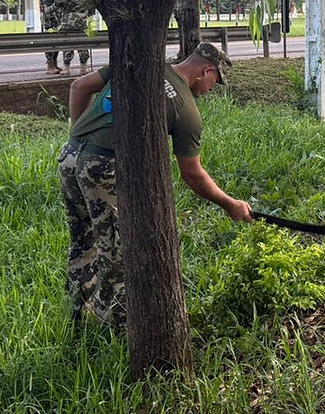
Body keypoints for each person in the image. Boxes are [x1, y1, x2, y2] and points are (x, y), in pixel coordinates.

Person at [57, 42, 252, 326]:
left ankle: (77, 312)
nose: (213, 88)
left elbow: (79, 87)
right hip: (103, 167)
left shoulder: (142, 64)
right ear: (206, 70)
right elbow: (192, 174)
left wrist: (80, 137)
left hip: (70, 156)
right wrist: (230, 204)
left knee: (82, 238)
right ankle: (110, 327)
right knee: (116, 251)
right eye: (216, 81)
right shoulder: (186, 109)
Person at [55, 0, 94, 75]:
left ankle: (66, 68)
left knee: (68, 45)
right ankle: (84, 68)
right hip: (81, 22)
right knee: (83, 45)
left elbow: (57, 4)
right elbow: (91, 7)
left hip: (67, 22)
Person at [40, 0, 62, 74]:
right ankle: (50, 66)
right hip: (49, 22)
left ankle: (54, 64)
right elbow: (46, 10)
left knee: (56, 44)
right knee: (50, 43)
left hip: (57, 21)